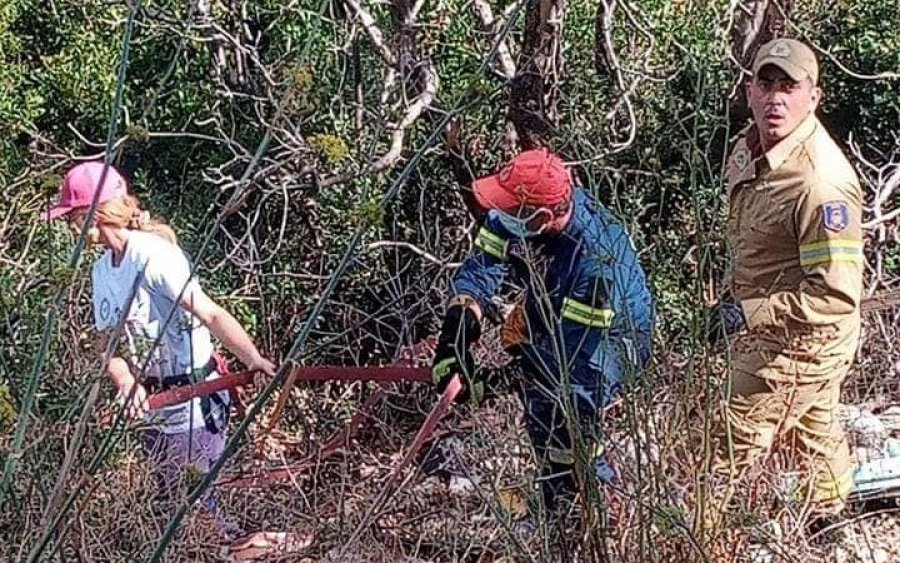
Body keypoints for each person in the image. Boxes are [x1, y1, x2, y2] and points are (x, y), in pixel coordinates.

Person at [46, 161, 277, 534]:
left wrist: (253, 360)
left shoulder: (153, 256)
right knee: (167, 504)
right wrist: (126, 382)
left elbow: (209, 312)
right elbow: (106, 346)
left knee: (197, 506)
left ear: (95, 214)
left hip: (195, 397)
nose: (71, 227)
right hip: (153, 403)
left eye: (73, 216)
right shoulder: (102, 271)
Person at [431, 148, 654, 513]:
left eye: (510, 209)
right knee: (544, 413)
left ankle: (594, 508)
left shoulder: (596, 261)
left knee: (567, 412)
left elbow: (573, 357)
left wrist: (501, 381)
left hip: (614, 336)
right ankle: (557, 502)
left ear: (545, 217)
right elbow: (486, 259)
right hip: (557, 304)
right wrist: (458, 329)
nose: (500, 214)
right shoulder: (527, 206)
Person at [705, 38, 863, 534]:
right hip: (773, 329)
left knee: (714, 451)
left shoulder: (820, 185)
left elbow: (834, 296)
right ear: (749, 90)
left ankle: (689, 540)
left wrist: (748, 312)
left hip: (797, 345)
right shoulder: (746, 147)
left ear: (813, 97)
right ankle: (830, 523)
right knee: (813, 436)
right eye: (766, 83)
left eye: (790, 87)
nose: (776, 98)